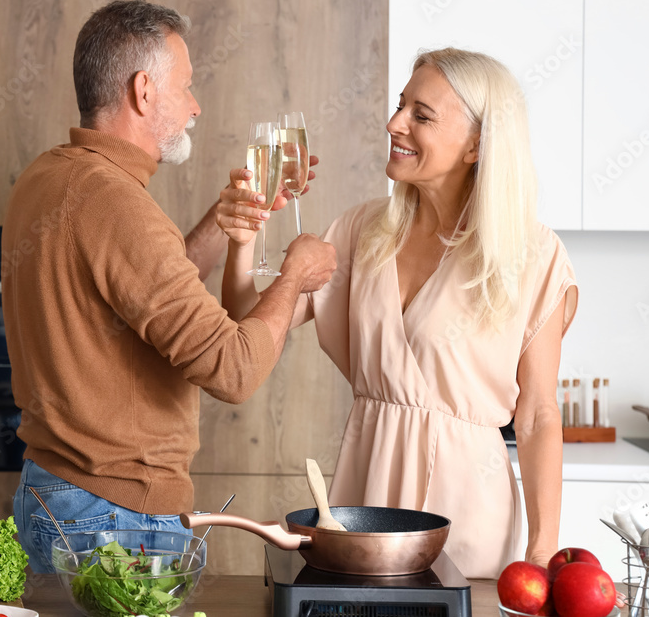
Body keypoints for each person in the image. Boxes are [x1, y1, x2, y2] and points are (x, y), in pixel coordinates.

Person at [216, 48, 578, 579]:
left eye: (421, 115)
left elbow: (540, 415)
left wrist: (543, 550)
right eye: (400, 105)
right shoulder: (363, 232)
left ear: (478, 144)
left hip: (468, 517)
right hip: (366, 505)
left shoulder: (534, 256)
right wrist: (243, 243)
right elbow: (248, 325)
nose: (394, 124)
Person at [2, 0, 337, 572]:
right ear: (143, 91)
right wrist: (294, 277)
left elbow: (139, 292)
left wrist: (226, 217)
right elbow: (233, 370)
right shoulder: (116, 203)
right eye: (185, 86)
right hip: (112, 517)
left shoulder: (51, 175)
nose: (195, 105)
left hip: (53, 493)